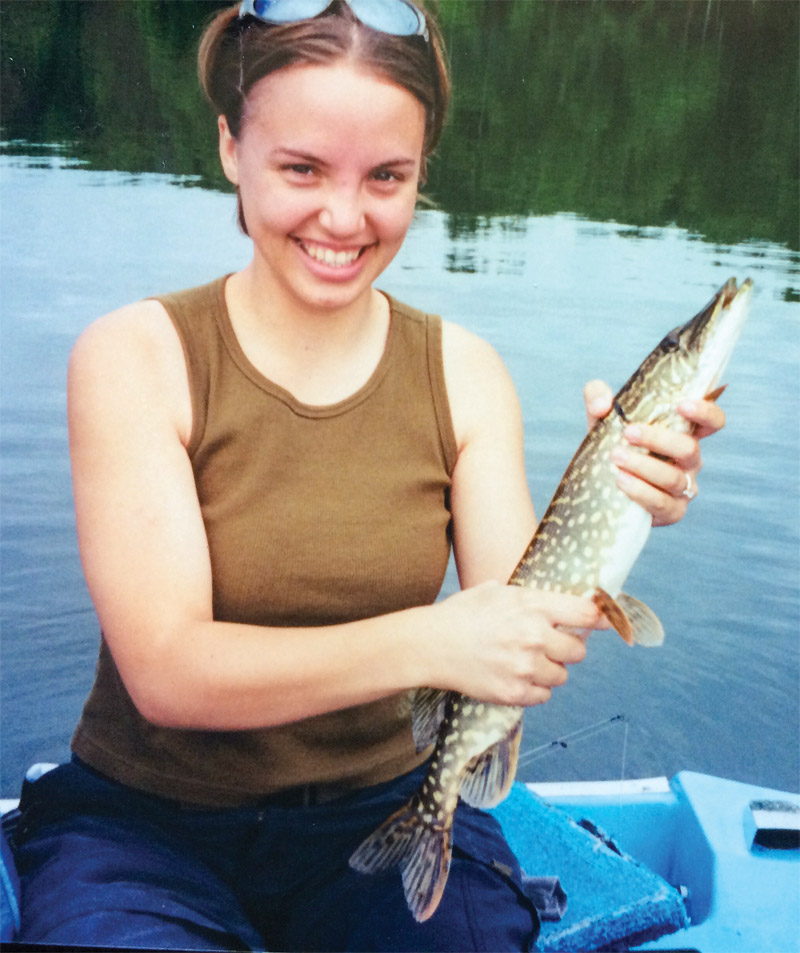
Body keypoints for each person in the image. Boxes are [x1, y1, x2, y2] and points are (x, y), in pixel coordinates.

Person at [13, 1, 725, 951]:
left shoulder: (464, 371)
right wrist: (436, 639)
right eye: (302, 168)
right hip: (145, 826)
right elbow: (169, 672)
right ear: (231, 147)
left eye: (386, 175)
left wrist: (630, 489)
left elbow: (520, 624)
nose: (344, 218)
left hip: (384, 805)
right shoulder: (134, 357)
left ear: (421, 171)